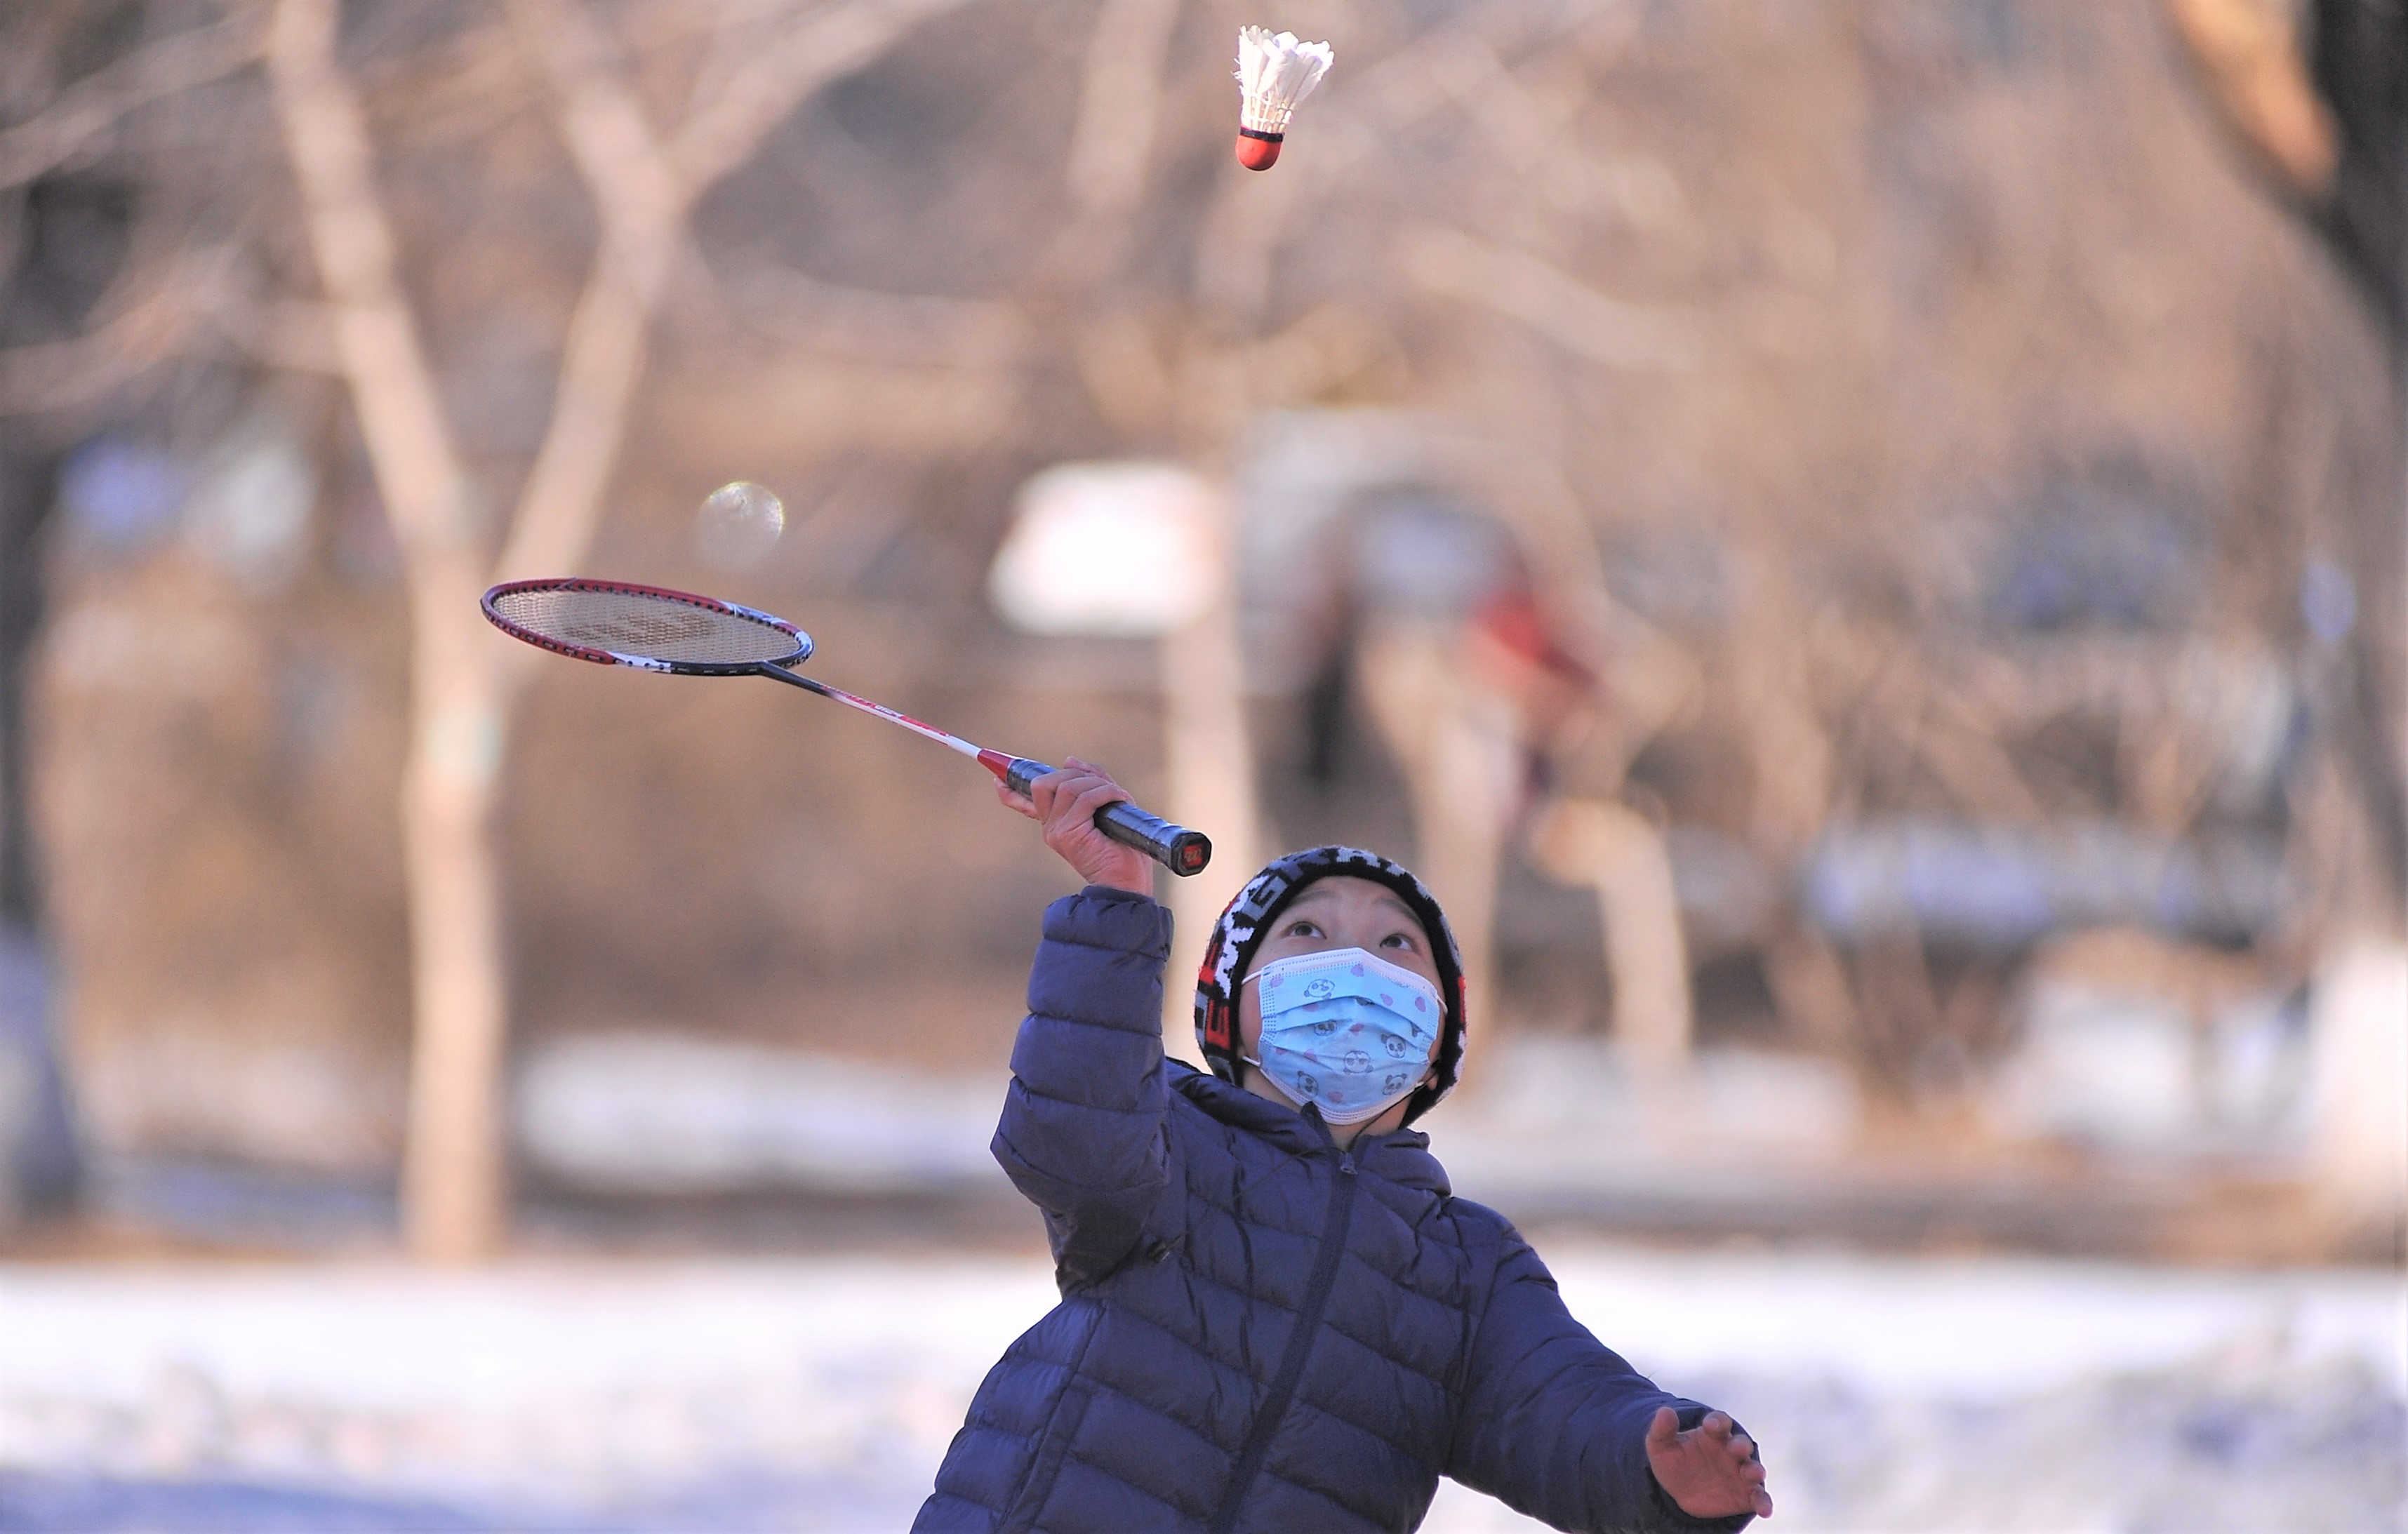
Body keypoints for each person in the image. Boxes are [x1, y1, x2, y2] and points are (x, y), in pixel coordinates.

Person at [914, 759, 1772, 1534]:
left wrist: (1658, 1469)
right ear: (1229, 1007)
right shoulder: (1167, 1134)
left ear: (1438, 1037)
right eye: (1306, 933)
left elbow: (1559, 1406)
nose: (1355, 964)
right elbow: (1070, 1130)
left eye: (1396, 942)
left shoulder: (1467, 1267)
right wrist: (1116, 901)